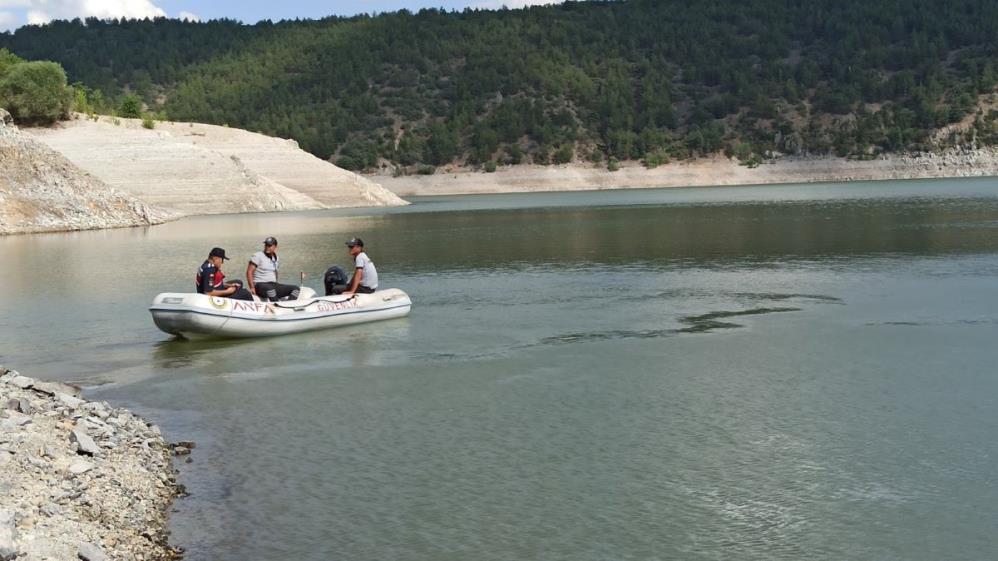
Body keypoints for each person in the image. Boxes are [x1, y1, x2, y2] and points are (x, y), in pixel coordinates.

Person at [246, 236, 300, 301]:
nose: (267, 247)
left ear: (275, 247)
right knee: (270, 289)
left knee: (295, 289)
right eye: (266, 245)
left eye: (269, 245)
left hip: (273, 284)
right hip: (260, 284)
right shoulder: (257, 256)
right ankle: (276, 305)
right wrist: (252, 287)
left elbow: (275, 271)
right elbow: (249, 272)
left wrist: (277, 283)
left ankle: (288, 305)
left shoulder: (276, 257)